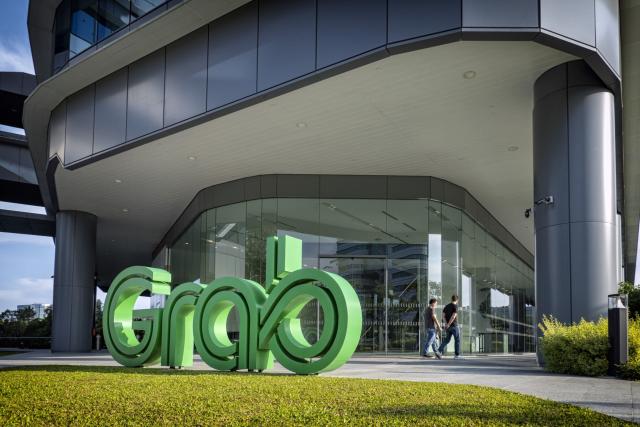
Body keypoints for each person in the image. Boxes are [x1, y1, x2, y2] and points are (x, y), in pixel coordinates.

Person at [438, 295, 461, 359]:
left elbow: (443, 316)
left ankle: (438, 351)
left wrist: (446, 324)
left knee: (447, 340)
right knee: (457, 340)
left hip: (448, 327)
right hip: (454, 326)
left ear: (451, 299)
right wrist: (449, 324)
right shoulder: (455, 306)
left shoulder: (447, 306)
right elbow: (453, 316)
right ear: (457, 300)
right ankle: (457, 355)